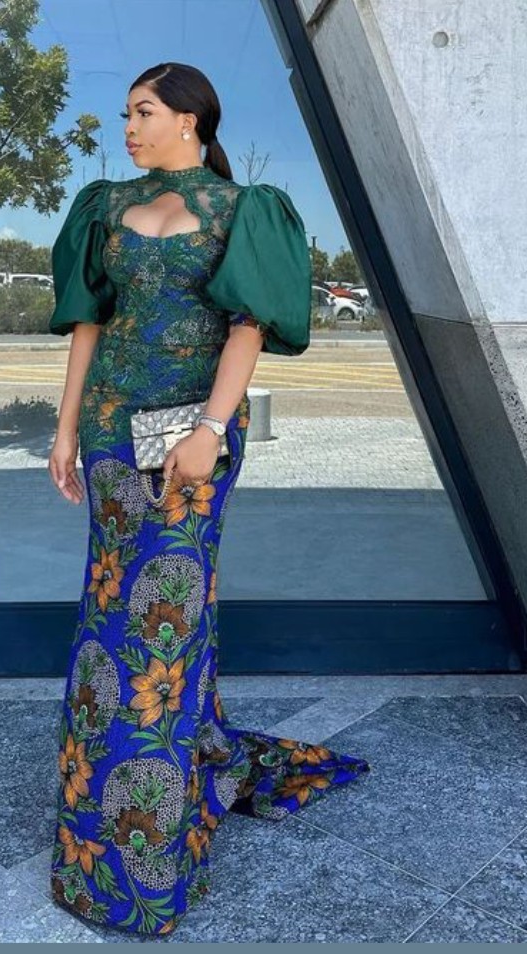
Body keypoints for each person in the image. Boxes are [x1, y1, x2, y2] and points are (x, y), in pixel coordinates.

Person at [46, 61, 370, 937]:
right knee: (108, 612)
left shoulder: (243, 209)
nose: (128, 127)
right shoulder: (105, 205)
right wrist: (65, 429)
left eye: (143, 111)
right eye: (126, 113)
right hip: (114, 436)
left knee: (166, 621)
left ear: (189, 119)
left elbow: (248, 327)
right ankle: (101, 814)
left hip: (191, 439)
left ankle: (147, 843)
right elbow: (88, 323)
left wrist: (213, 428)